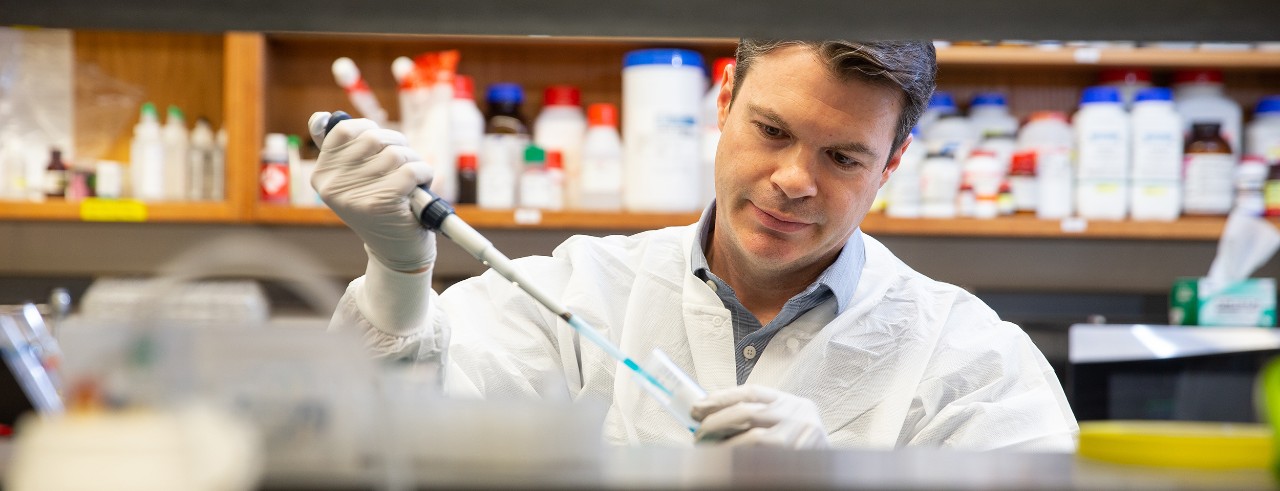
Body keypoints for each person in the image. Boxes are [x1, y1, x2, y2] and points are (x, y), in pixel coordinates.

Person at [309, 39, 1079, 450]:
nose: (792, 179)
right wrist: (399, 269)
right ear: (724, 101)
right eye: (772, 130)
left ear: (893, 163)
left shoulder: (970, 359)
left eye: (842, 157)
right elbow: (382, 436)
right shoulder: (578, 292)